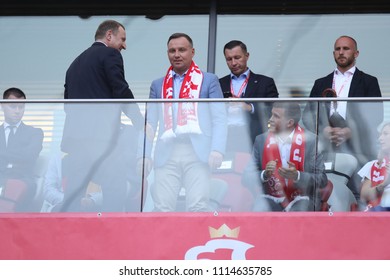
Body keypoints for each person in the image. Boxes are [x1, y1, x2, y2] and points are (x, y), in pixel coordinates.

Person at [61, 20, 145, 212]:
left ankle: (70, 234)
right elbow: (120, 89)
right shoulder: (110, 53)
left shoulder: (74, 64)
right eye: (122, 39)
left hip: (77, 141)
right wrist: (140, 122)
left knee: (74, 191)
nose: (124, 45)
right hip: (102, 138)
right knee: (115, 186)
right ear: (109, 35)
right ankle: (112, 234)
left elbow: (68, 105)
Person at [145, 32, 227, 212]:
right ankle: (164, 242)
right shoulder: (158, 85)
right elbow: (149, 124)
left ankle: (196, 241)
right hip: (167, 151)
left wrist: (217, 149)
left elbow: (219, 118)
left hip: (198, 151)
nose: (176, 54)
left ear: (192, 52)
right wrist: (143, 155)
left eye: (182, 50)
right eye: (172, 50)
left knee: (198, 207)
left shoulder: (208, 80)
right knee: (162, 208)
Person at [302, 35, 383, 201]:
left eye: (346, 49)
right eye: (338, 49)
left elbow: (376, 114)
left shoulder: (369, 82)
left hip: (358, 146)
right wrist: (323, 129)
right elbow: (308, 115)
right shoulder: (320, 83)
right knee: (325, 192)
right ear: (333, 53)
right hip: (326, 147)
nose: (341, 52)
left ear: (356, 53)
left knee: (358, 192)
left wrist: (350, 131)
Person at [242, 102, 328, 211]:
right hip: (271, 198)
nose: (270, 119)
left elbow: (322, 179)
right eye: (271, 114)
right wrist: (265, 174)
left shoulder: (310, 141)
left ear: (289, 123)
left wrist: (297, 175)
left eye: (276, 116)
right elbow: (245, 178)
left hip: (303, 197)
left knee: (298, 214)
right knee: (259, 210)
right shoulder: (261, 140)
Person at [219, 40, 279, 154]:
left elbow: (274, 110)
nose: (233, 62)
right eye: (229, 59)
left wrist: (250, 107)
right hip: (226, 139)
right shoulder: (218, 83)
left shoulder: (265, 82)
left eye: (237, 57)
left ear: (247, 56)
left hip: (253, 138)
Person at [0, 87, 44, 211]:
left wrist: (2, 154)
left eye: (21, 107)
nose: (18, 111)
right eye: (13, 107)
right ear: (3, 106)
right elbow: (23, 156)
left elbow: (29, 157)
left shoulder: (35, 133)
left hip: (22, 183)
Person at [358, 122, 390, 212]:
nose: (380, 139)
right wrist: (384, 184)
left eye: (385, 134)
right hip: (377, 214)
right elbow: (364, 196)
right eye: (380, 135)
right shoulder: (373, 165)